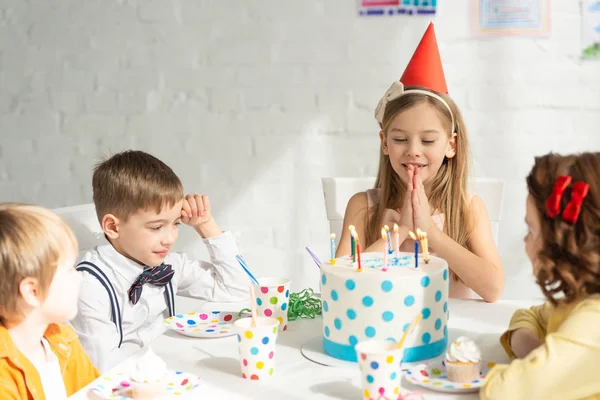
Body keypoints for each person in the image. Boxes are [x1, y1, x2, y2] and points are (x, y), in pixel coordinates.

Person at [336, 23, 503, 302]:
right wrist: (399, 232)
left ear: (451, 145)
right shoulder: (363, 207)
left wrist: (431, 233)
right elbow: (339, 286)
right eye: (400, 139)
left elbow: (493, 290)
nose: (413, 151)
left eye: (427, 141)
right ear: (384, 143)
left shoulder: (467, 208)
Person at [481, 152, 600, 399]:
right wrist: (535, 352)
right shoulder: (579, 297)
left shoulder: (593, 322)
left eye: (531, 230)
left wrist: (536, 364)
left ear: (565, 243)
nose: (524, 241)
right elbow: (531, 314)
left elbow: (501, 392)